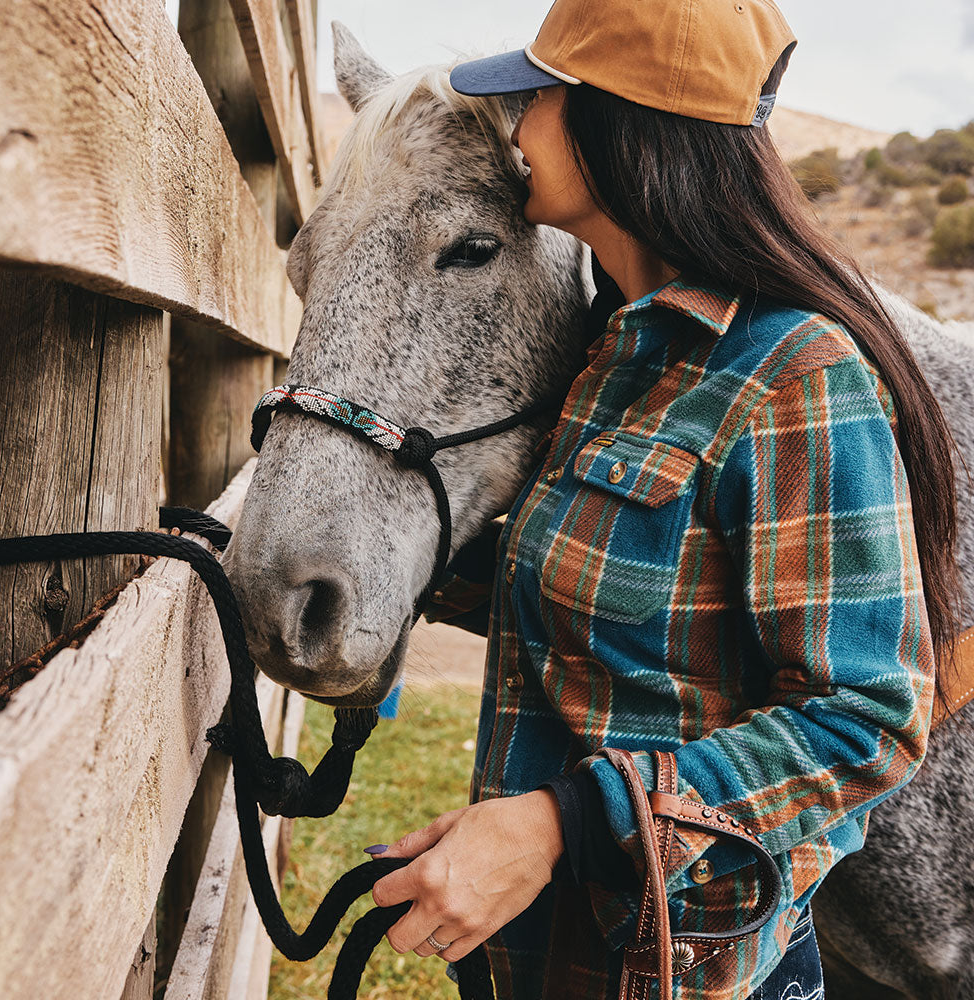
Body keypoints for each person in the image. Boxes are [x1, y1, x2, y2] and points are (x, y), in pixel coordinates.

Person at [365, 1, 965, 997]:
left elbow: (865, 716)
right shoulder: (619, 358)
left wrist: (555, 826)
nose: (513, 120)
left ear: (625, 125)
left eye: (541, 93)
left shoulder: (794, 375)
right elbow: (612, 612)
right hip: (556, 961)